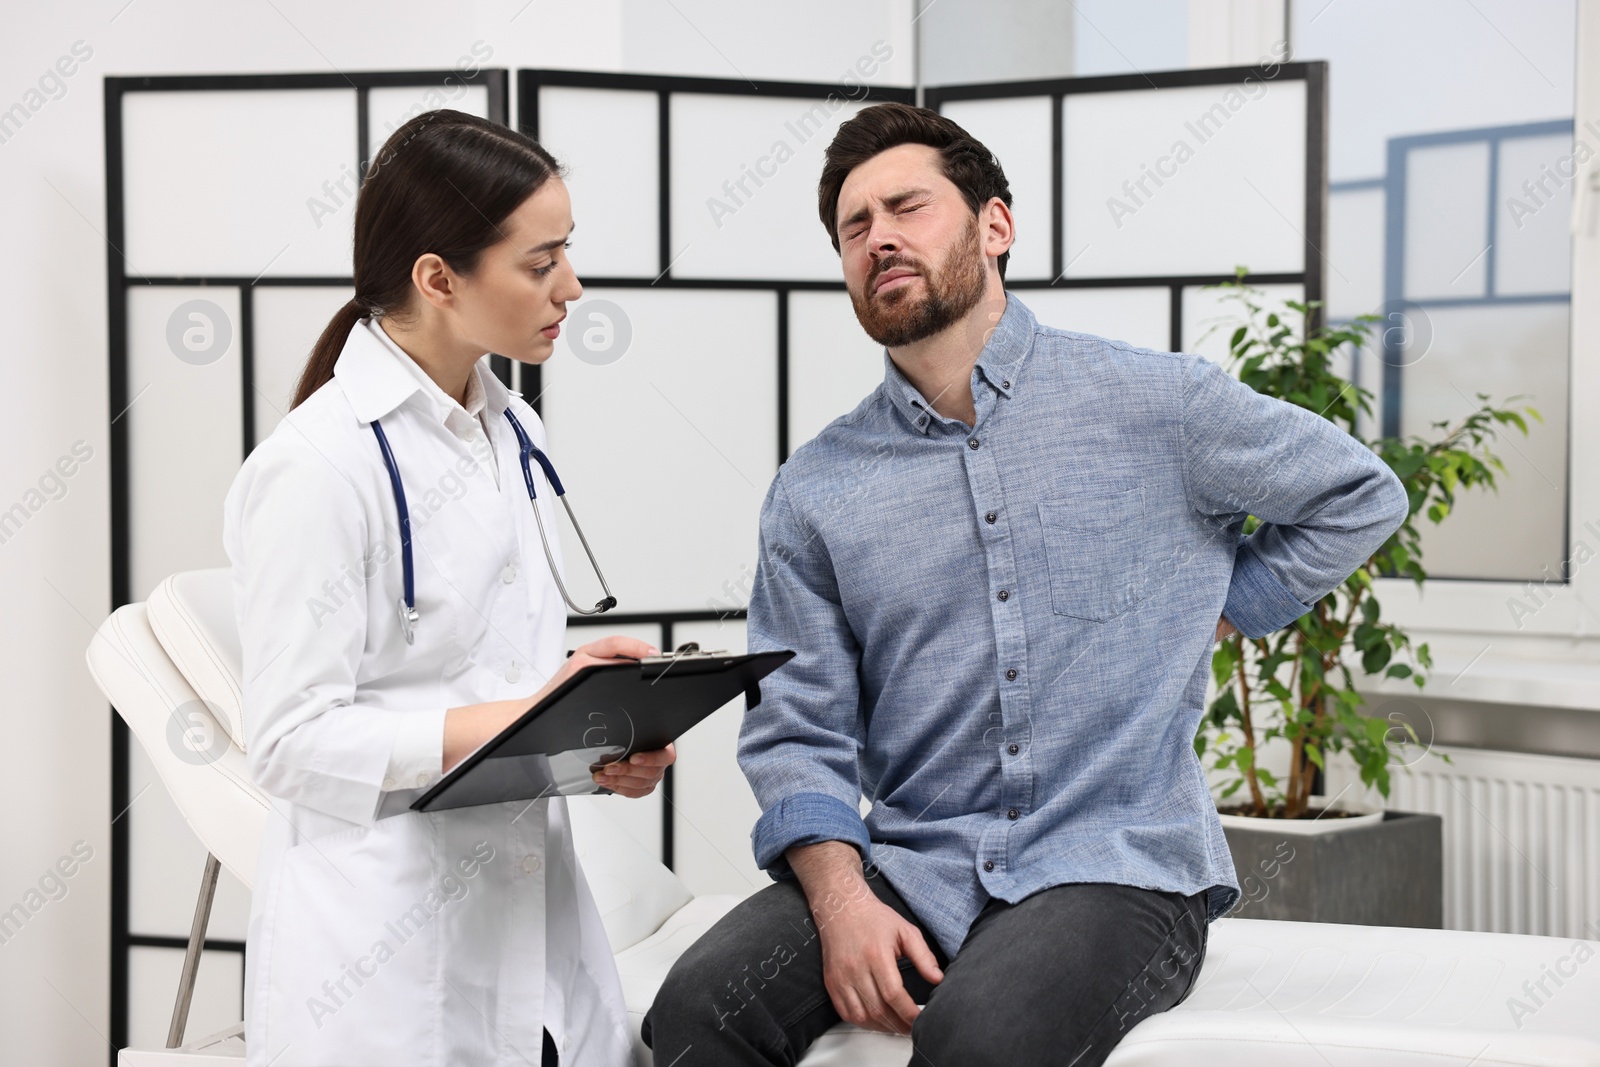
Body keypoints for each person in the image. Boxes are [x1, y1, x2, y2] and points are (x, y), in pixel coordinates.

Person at [643, 102, 1409, 1065]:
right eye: (853, 226)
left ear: (994, 226)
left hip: (1122, 865)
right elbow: (799, 727)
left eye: (907, 206)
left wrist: (1233, 602)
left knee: (982, 1038)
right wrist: (842, 902)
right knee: (696, 1008)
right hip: (910, 862)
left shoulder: (1161, 404)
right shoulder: (815, 489)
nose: (878, 236)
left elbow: (1359, 493)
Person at [224, 109, 673, 1067]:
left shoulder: (514, 432)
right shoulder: (316, 466)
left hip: (532, 933)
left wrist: (585, 724)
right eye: (541, 262)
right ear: (438, 278)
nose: (572, 287)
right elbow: (290, 741)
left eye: (568, 254)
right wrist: (526, 715)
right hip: (383, 965)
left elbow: (469, 675)